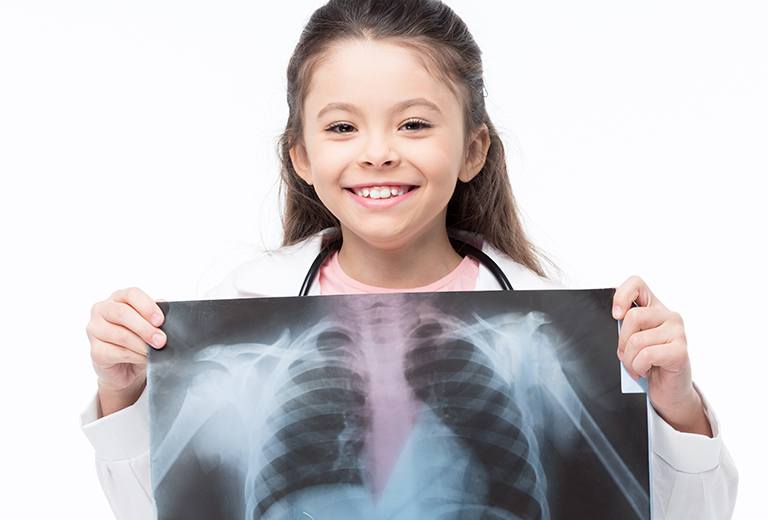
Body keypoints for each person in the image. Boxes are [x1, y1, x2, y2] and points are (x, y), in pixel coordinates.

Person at [80, 1, 738, 518]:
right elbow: (156, 511)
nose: (377, 153)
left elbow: (686, 516)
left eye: (414, 124)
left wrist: (676, 406)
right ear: (301, 155)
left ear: (473, 149)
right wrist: (125, 393)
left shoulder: (553, 338)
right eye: (342, 127)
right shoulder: (238, 326)